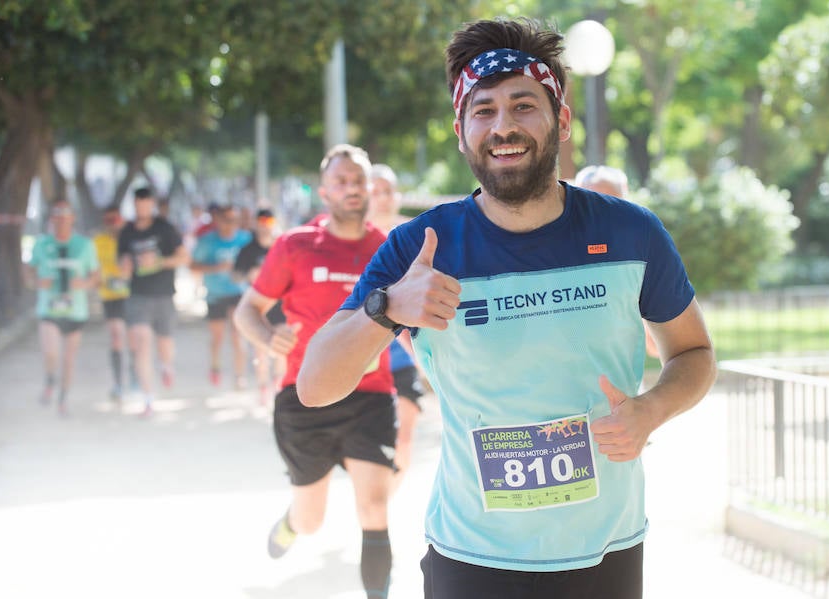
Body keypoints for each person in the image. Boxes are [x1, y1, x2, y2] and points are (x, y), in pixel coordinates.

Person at [297, 18, 717, 599]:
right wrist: (389, 306)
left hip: (606, 550)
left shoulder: (629, 232)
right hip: (473, 557)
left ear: (561, 120)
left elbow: (694, 353)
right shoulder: (423, 248)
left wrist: (650, 411)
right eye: (484, 111)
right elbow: (315, 386)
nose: (503, 126)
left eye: (524, 106)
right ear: (461, 132)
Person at [233, 144, 397, 599]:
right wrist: (268, 338)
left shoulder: (387, 249)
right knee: (312, 520)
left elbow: (407, 323)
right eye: (341, 181)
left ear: (371, 187)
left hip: (370, 394)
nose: (351, 189)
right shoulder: (295, 245)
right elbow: (248, 310)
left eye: (358, 181)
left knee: (375, 506)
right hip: (305, 396)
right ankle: (290, 523)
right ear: (324, 191)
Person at [368, 164, 427, 489]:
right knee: (371, 450)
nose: (381, 198)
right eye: (374, 191)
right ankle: (373, 506)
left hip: (405, 354)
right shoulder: (353, 241)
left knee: (404, 442)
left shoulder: (414, 237)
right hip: (365, 357)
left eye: (387, 190)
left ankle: (382, 507)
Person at [24, 199, 100, 417]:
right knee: (51, 352)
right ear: (52, 219)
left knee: (68, 358)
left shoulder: (85, 245)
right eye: (57, 215)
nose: (62, 220)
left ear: (72, 218)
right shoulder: (41, 244)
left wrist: (83, 284)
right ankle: (50, 380)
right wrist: (37, 282)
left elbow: (96, 277)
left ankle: (63, 397)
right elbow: (29, 272)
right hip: (49, 310)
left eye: (66, 215)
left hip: (75, 311)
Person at [575, 165, 659, 361]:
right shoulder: (557, 252)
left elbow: (657, 348)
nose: (601, 213)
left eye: (611, 204)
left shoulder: (638, 253)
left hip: (625, 382)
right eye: (591, 202)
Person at [118, 186, 189, 417]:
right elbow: (122, 266)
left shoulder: (165, 228)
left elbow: (183, 257)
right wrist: (126, 267)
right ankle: (148, 398)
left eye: (147, 202)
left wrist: (158, 261)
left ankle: (167, 366)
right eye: (139, 203)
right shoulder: (126, 232)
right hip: (138, 296)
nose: (143, 207)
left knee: (164, 344)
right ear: (134, 204)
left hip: (164, 295)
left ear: (152, 204)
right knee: (141, 344)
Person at [191, 204, 252, 388]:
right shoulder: (206, 241)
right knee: (217, 337)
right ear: (218, 220)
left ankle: (239, 376)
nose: (230, 224)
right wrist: (216, 268)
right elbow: (193, 266)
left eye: (234, 220)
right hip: (215, 294)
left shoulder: (246, 239)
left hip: (238, 293)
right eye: (226, 220)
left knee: (237, 335)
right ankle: (215, 367)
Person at [232, 207, 286, 405]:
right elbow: (235, 274)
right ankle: (263, 387)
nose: (264, 226)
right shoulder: (247, 250)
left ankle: (278, 384)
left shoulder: (282, 246)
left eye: (268, 221)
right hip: (257, 305)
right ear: (255, 223)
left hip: (281, 305)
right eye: (261, 221)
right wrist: (250, 275)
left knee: (282, 347)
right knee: (260, 349)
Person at [92, 203, 137, 400]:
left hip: (133, 296)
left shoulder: (131, 239)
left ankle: (136, 378)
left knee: (134, 339)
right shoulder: (97, 241)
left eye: (116, 219)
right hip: (110, 297)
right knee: (117, 337)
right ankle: (118, 383)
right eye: (109, 220)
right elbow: (91, 269)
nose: (113, 224)